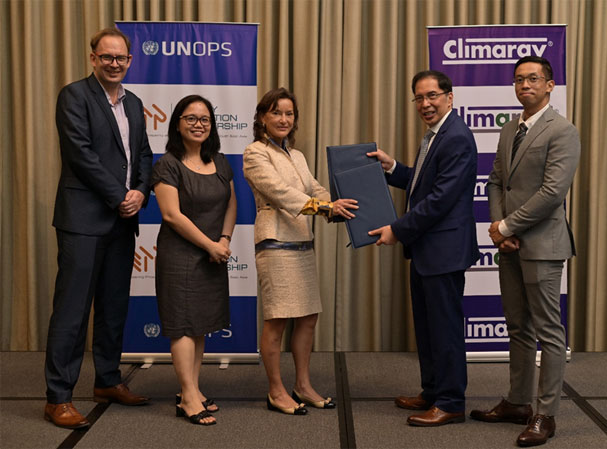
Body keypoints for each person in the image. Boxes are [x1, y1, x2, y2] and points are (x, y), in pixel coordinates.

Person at [44, 27, 153, 429]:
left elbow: (143, 153)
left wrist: (141, 192)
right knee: (72, 312)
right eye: (106, 57)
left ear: (129, 61)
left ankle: (107, 381)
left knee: (113, 308)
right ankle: (58, 398)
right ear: (93, 59)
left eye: (120, 58)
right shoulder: (74, 95)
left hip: (123, 222)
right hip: (83, 220)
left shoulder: (136, 102)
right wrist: (120, 196)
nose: (113, 63)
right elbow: (80, 154)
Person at [470, 56, 581, 447]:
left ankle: (545, 414)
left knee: (549, 332)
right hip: (511, 245)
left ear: (550, 85)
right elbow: (496, 181)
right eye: (519, 79)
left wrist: (507, 226)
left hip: (544, 245)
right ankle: (518, 402)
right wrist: (501, 232)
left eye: (533, 79)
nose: (525, 85)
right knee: (517, 327)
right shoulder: (509, 129)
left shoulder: (562, 131)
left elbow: (552, 194)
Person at [367, 70, 479, 426]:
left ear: (449, 96)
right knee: (429, 328)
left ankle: (450, 402)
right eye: (419, 98)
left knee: (444, 330)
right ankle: (432, 392)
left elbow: (439, 199)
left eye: (432, 95)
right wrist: (393, 168)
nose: (425, 104)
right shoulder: (437, 135)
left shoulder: (456, 136)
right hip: (429, 250)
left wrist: (396, 231)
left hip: (443, 251)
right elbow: (423, 182)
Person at [243, 88, 357, 415]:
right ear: (263, 117)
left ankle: (302, 385)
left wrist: (339, 206)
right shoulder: (255, 153)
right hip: (275, 244)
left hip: (302, 245)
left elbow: (315, 188)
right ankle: (276, 390)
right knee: (277, 320)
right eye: (276, 112)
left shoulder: (298, 155)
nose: (283, 119)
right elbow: (279, 193)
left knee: (308, 317)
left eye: (289, 113)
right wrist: (325, 207)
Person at [151, 95, 237, 426]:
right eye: (191, 118)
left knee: (200, 325)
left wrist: (225, 240)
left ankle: (193, 388)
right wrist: (209, 246)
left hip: (213, 253)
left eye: (204, 119)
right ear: (177, 123)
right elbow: (172, 215)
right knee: (183, 325)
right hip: (181, 256)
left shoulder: (221, 160)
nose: (198, 124)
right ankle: (187, 396)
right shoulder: (167, 164)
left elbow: (231, 203)